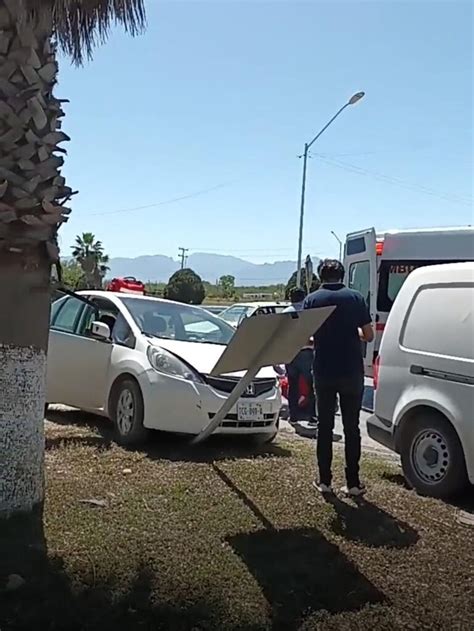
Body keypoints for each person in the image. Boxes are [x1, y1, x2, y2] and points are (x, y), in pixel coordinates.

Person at [304, 259, 374, 497]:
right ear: (342, 275)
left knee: (324, 426)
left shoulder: (312, 300)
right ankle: (353, 483)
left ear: (322, 276)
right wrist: (351, 333)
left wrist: (321, 339)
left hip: (323, 371)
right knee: (351, 428)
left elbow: (305, 338)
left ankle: (324, 481)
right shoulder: (355, 298)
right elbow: (369, 334)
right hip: (351, 372)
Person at [282, 287, 316, 424]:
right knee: (312, 386)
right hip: (307, 352)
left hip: (290, 353)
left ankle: (293, 415)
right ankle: (313, 417)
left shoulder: (285, 313)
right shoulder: (309, 312)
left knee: (293, 385)